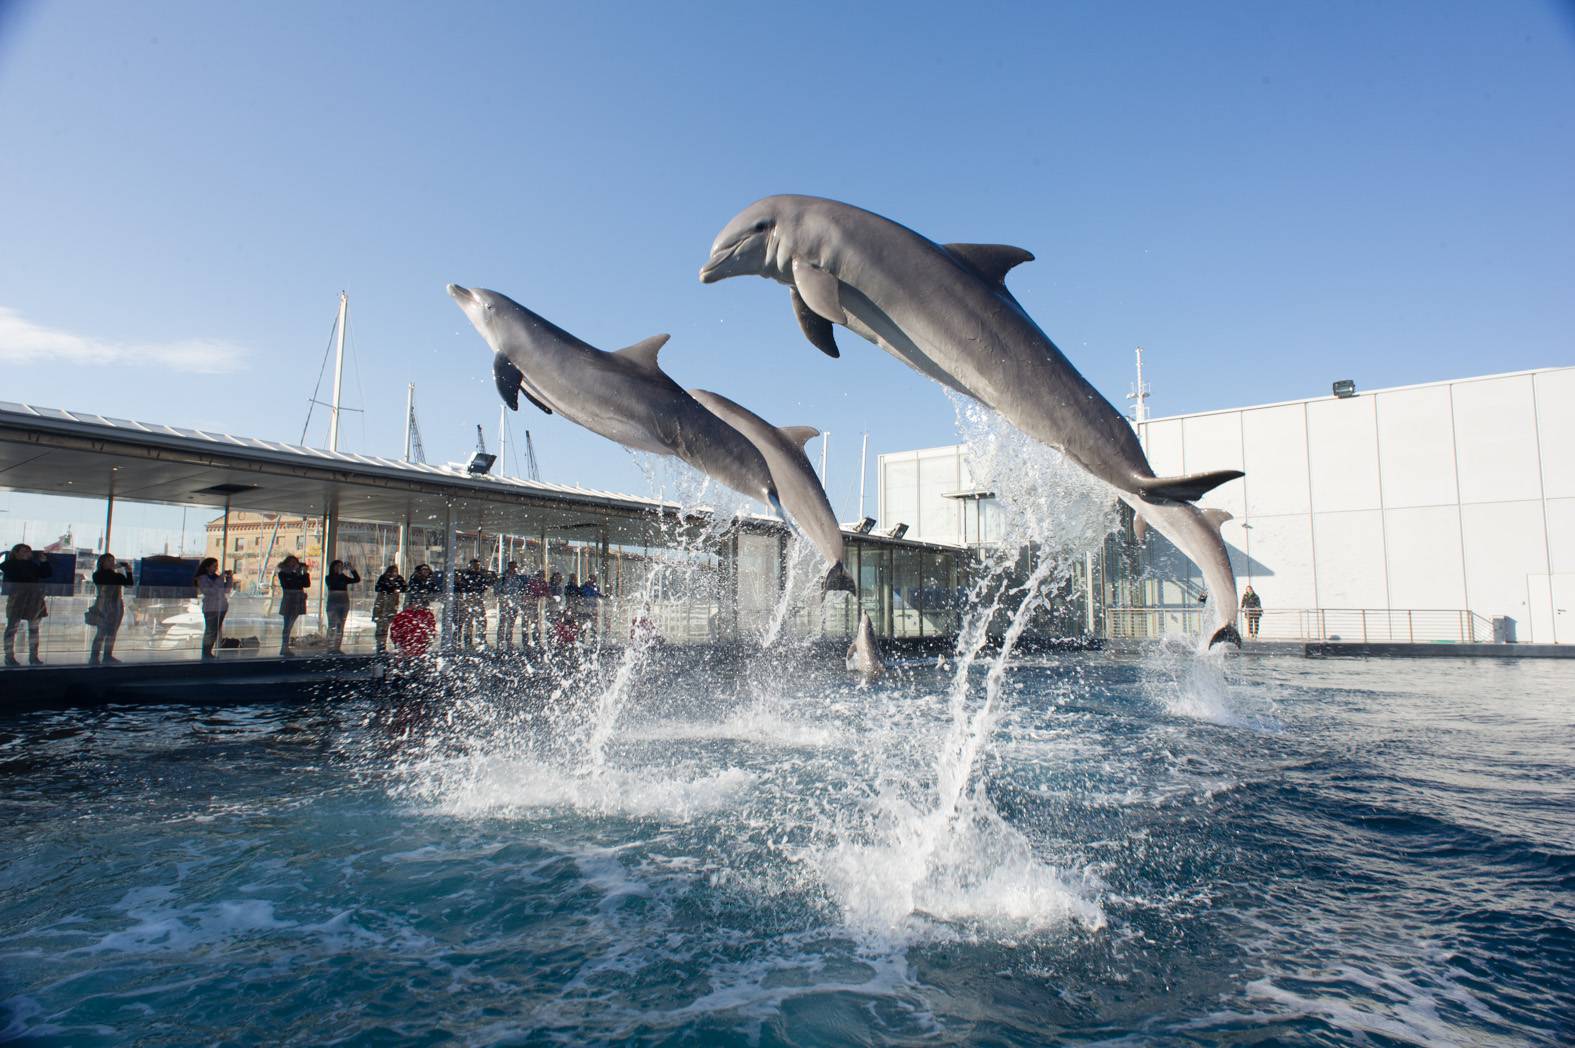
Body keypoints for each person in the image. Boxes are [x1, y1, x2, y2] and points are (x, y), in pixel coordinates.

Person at [2, 543, 52, 667]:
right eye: (24, 551)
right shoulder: (9, 565)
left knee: (34, 629)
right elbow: (11, 571)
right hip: (18, 598)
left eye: (28, 551)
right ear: (16, 553)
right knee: (12, 628)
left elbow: (46, 574)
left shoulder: (33, 566)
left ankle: (34, 656)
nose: (27, 553)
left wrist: (44, 562)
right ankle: (9, 657)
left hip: (34, 598)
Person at [89, 553, 134, 665]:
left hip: (117, 606)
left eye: (112, 561)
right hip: (103, 606)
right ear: (102, 562)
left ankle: (107, 656)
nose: (111, 563)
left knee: (112, 632)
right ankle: (94, 657)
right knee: (101, 632)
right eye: (108, 560)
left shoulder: (117, 576)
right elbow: (104, 579)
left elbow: (129, 584)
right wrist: (113, 569)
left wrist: (128, 571)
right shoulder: (98, 575)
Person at [194, 557, 232, 660]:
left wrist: (229, 579)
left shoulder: (216, 577)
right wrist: (220, 578)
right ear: (207, 567)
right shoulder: (202, 578)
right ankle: (206, 652)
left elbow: (226, 590)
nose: (216, 568)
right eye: (214, 566)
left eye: (217, 566)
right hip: (211, 608)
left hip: (221, 607)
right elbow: (210, 591)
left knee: (215, 631)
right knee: (210, 631)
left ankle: (208, 652)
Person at [455, 558, 496, 649]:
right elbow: (463, 584)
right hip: (468, 598)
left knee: (481, 620)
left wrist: (488, 576)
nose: (477, 567)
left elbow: (489, 583)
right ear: (471, 566)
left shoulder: (480, 574)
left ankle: (481, 640)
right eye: (475, 566)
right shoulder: (466, 574)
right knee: (469, 622)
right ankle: (468, 642)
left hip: (478, 598)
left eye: (478, 565)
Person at [277, 556, 310, 656]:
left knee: (290, 623)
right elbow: (288, 584)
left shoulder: (297, 574)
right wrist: (297, 576)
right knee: (287, 624)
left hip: (298, 598)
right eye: (291, 562)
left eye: (295, 562)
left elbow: (306, 584)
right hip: (289, 599)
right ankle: (284, 646)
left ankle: (285, 646)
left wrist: (304, 573)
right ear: (287, 563)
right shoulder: (283, 573)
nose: (293, 564)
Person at [325, 560, 360, 654]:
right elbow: (334, 583)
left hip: (343, 601)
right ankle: (330, 647)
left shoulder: (343, 577)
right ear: (333, 567)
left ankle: (337, 647)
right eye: (337, 566)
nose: (339, 568)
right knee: (332, 624)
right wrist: (340, 574)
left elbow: (356, 579)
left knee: (341, 625)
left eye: (341, 566)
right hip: (333, 601)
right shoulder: (329, 577)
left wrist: (352, 569)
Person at [371, 564, 406, 654]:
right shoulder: (383, 578)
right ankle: (381, 646)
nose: (394, 574)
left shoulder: (399, 579)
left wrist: (397, 589)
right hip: (383, 603)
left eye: (396, 572)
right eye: (393, 572)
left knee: (392, 624)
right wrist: (392, 589)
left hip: (392, 604)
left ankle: (394, 645)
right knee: (382, 626)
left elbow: (404, 587)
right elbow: (378, 588)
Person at [495, 561, 528, 649]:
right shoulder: (503, 577)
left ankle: (509, 641)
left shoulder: (518, 578)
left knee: (511, 623)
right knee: (503, 622)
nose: (513, 569)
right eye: (512, 567)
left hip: (515, 601)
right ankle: (500, 642)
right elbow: (497, 589)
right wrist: (502, 596)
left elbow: (521, 589)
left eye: (515, 567)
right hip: (505, 601)